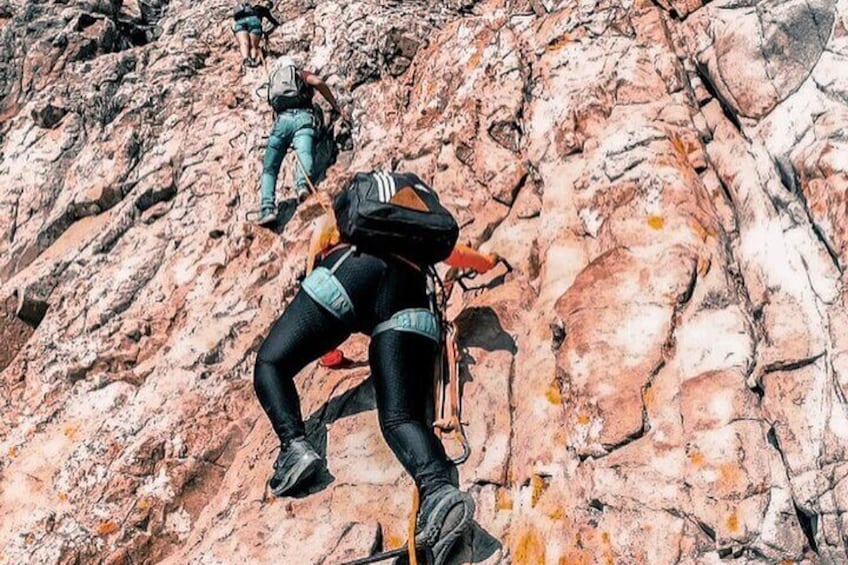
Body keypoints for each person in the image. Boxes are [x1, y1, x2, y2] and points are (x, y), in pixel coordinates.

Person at [253, 172, 498, 564]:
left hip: (351, 272)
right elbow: (461, 256)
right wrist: (488, 263)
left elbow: (319, 250)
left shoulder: (347, 221)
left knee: (271, 363)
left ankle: (295, 447)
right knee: (401, 418)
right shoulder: (416, 235)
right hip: (411, 298)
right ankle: (438, 492)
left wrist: (328, 352)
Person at [256, 57, 346, 227]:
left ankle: (267, 209)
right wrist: (334, 104)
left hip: (281, 122)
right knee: (304, 153)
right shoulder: (299, 74)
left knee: (270, 168)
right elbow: (317, 81)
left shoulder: (275, 81)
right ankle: (302, 187)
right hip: (303, 117)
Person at [232, 0, 279, 68]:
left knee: (243, 43)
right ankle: (253, 60)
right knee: (253, 45)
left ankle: (246, 59)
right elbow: (273, 21)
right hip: (254, 21)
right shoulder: (265, 10)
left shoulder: (253, 8)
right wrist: (278, 25)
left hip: (240, 21)